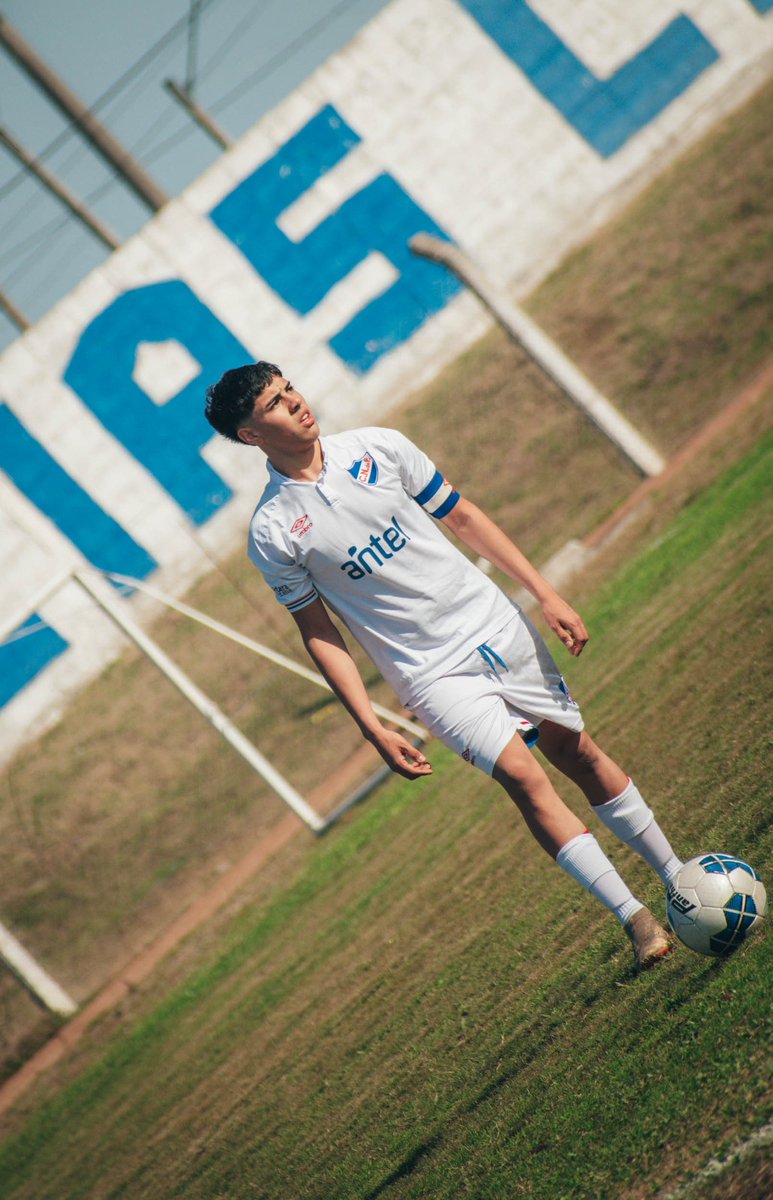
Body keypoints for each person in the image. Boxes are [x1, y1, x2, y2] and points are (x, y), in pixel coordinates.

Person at [205, 361, 683, 970]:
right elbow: (319, 632)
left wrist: (544, 590)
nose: (295, 403)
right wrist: (370, 726)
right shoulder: (273, 531)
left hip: (493, 623)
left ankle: (677, 877)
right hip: (429, 673)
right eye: (274, 404)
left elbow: (462, 516)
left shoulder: (378, 447)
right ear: (250, 435)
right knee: (523, 776)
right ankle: (635, 918)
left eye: (288, 388)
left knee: (575, 751)